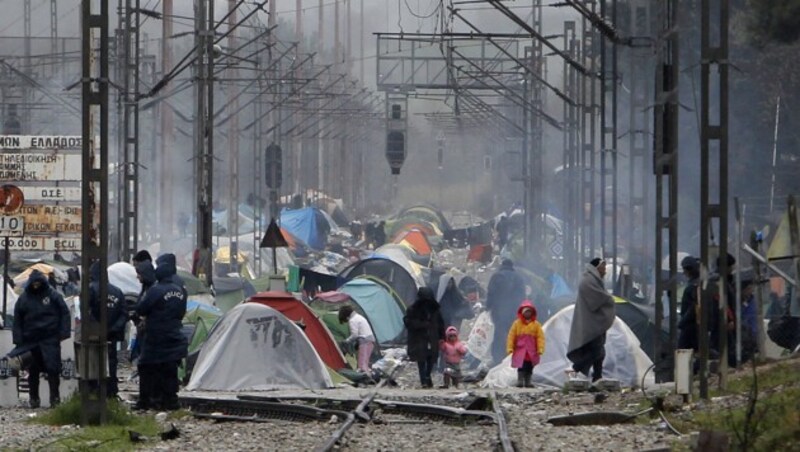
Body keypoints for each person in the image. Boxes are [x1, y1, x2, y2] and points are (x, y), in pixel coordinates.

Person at [9, 270, 70, 408]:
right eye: (34, 283)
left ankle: (55, 399)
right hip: (31, 341)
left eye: (38, 283)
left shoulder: (53, 295)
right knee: (33, 371)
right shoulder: (24, 298)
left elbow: (64, 313)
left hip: (50, 339)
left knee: (53, 370)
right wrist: (18, 341)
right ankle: (34, 399)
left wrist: (63, 334)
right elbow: (17, 319)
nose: (36, 285)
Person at [135, 254, 188, 410]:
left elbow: (141, 309)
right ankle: (170, 401)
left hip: (156, 337)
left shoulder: (156, 290)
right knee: (169, 370)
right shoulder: (179, 290)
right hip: (174, 335)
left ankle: (145, 401)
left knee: (145, 367)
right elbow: (181, 313)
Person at [567, 258, 615, 382]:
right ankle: (575, 369)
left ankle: (597, 376)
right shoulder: (588, 281)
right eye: (603, 268)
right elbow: (598, 298)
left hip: (597, 323)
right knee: (596, 351)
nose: (604, 271)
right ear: (596, 268)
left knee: (599, 351)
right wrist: (609, 298)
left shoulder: (595, 280)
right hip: (590, 324)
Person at [87, 261, 128, 397]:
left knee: (92, 363)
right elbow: (124, 314)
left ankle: (93, 391)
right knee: (111, 363)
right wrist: (113, 329)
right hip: (112, 335)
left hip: (93, 335)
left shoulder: (90, 289)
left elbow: (85, 311)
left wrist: (96, 328)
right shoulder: (118, 292)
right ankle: (110, 392)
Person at [486, 259, 526, 365]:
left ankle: (498, 358)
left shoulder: (496, 276)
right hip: (515, 311)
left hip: (498, 311)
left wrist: (487, 307)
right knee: (513, 333)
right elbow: (522, 295)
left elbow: (491, 293)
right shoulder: (519, 278)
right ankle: (513, 357)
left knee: (499, 333)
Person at [404, 287, 445, 388]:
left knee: (431, 359)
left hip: (432, 337)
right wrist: (422, 324)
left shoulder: (435, 309)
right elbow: (408, 322)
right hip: (419, 338)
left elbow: (440, 323)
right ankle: (424, 381)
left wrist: (442, 336)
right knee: (421, 360)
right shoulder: (413, 309)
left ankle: (427, 376)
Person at [507, 300, 545, 388]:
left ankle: (528, 381)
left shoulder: (536, 325)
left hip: (531, 351)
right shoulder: (517, 324)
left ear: (532, 313)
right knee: (521, 366)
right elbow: (511, 336)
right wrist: (510, 347)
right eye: (526, 312)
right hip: (520, 350)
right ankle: (520, 380)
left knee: (530, 367)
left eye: (529, 312)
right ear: (522, 313)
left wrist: (540, 348)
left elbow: (540, 338)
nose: (528, 314)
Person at [338, 305, 376, 375]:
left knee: (361, 364)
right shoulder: (359, 317)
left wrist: (346, 341)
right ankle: (369, 375)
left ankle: (365, 378)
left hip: (364, 341)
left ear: (346, 317)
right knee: (365, 362)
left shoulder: (352, 320)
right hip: (371, 339)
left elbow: (354, 335)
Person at [678, 255, 701, 351]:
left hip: (690, 325)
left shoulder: (692, 286)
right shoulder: (698, 283)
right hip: (695, 324)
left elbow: (693, 307)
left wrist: (683, 322)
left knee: (683, 351)